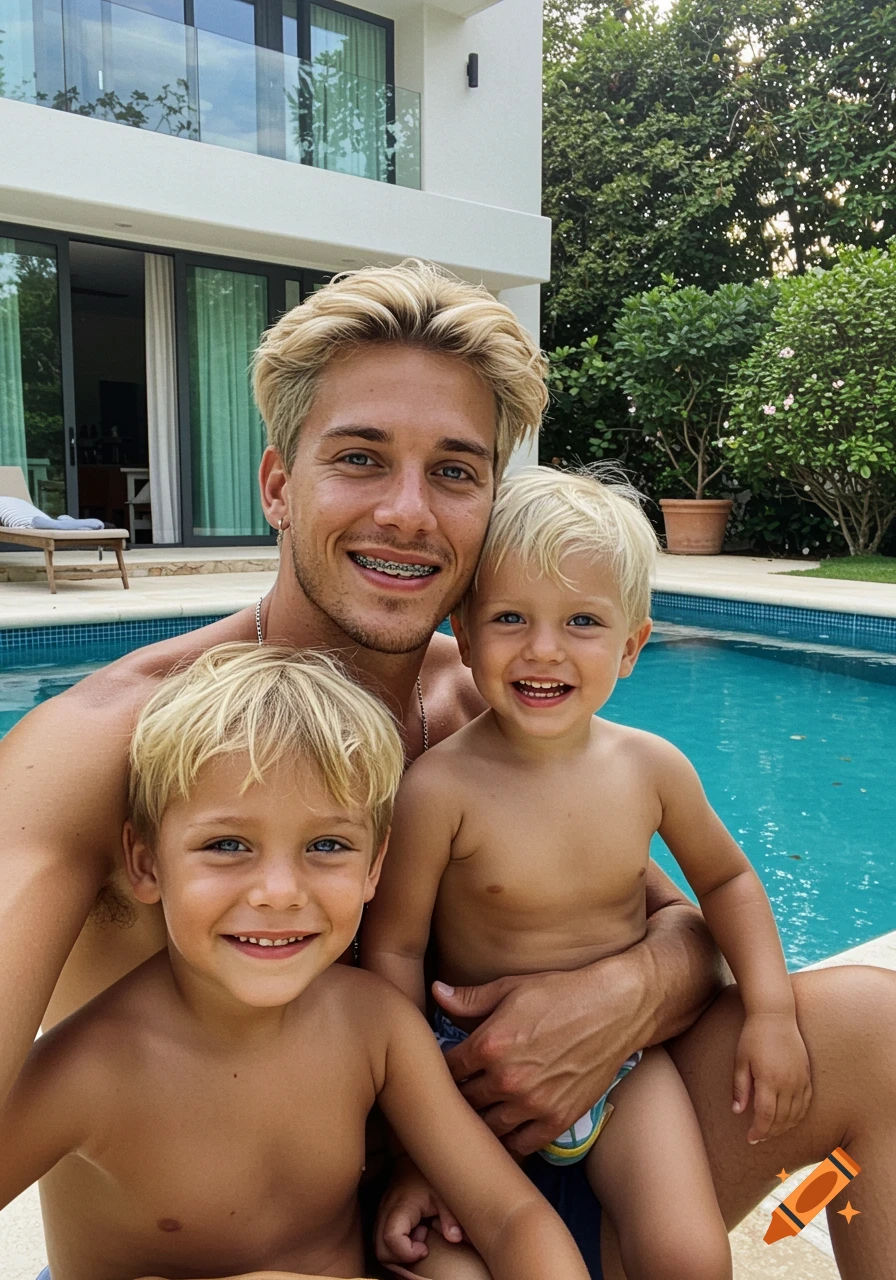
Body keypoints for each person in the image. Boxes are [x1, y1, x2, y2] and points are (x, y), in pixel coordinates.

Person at [0, 261, 893, 1279]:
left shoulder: (483, 705)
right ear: (278, 483)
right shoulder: (99, 746)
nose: (409, 512)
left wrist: (627, 988)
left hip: (493, 1195)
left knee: (874, 1028)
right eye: (360, 458)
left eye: (456, 472)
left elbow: (686, 921)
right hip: (259, 1255)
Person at [0, 643, 590, 1280]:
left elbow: (511, 1217)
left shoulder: (374, 1027)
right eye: (228, 845)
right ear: (146, 863)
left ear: (373, 868)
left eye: (327, 845)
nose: (279, 892)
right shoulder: (89, 1071)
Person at [364, 465, 819, 1279]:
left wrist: (771, 1011)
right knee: (476, 1259)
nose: (544, 649)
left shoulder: (652, 770)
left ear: (632, 645)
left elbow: (727, 883)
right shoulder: (439, 790)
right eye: (510, 618)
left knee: (687, 1253)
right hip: (472, 1074)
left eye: (581, 621)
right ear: (464, 638)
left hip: (626, 1064)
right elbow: (393, 954)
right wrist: (414, 1144)